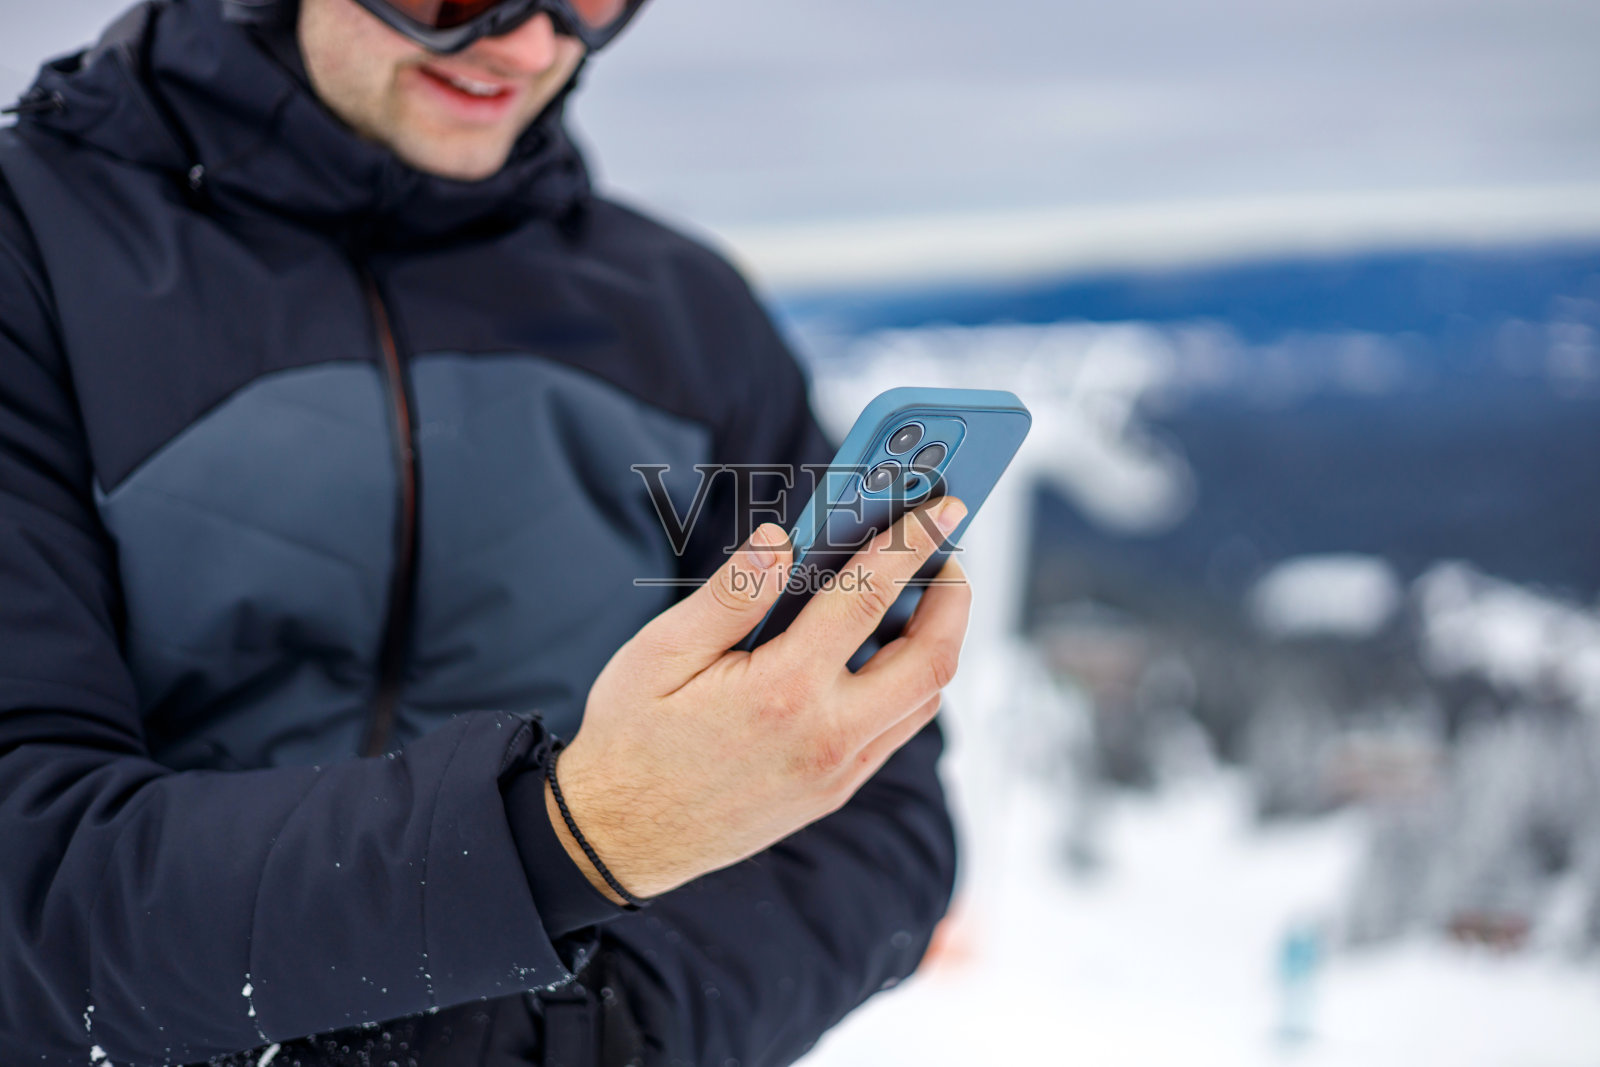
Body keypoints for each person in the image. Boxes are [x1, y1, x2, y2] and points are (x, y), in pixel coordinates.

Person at [0, 1, 969, 1064]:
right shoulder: (32, 254)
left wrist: (599, 1028)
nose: (529, 44)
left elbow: (872, 806)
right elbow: (28, 860)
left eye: (587, 0)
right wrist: (567, 839)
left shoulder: (685, 313)